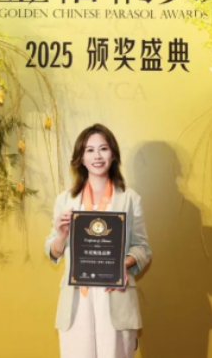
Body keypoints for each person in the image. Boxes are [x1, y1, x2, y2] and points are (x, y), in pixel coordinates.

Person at [44, 123, 152, 358]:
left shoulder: (130, 199)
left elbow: (142, 249)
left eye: (103, 149)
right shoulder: (65, 200)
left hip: (115, 293)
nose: (97, 156)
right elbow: (53, 250)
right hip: (77, 298)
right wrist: (61, 235)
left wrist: (121, 265)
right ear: (81, 158)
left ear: (113, 154)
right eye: (90, 150)